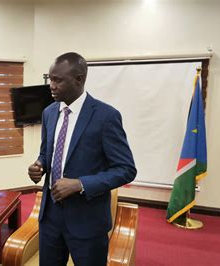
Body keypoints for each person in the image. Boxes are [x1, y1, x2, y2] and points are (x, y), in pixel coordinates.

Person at [28, 52, 137, 266]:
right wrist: (39, 165)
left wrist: (80, 184)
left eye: (58, 80)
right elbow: (45, 153)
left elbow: (126, 169)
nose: (51, 85)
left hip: (87, 222)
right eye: (50, 79)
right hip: (50, 218)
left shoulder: (106, 116)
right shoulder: (49, 113)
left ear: (79, 79)